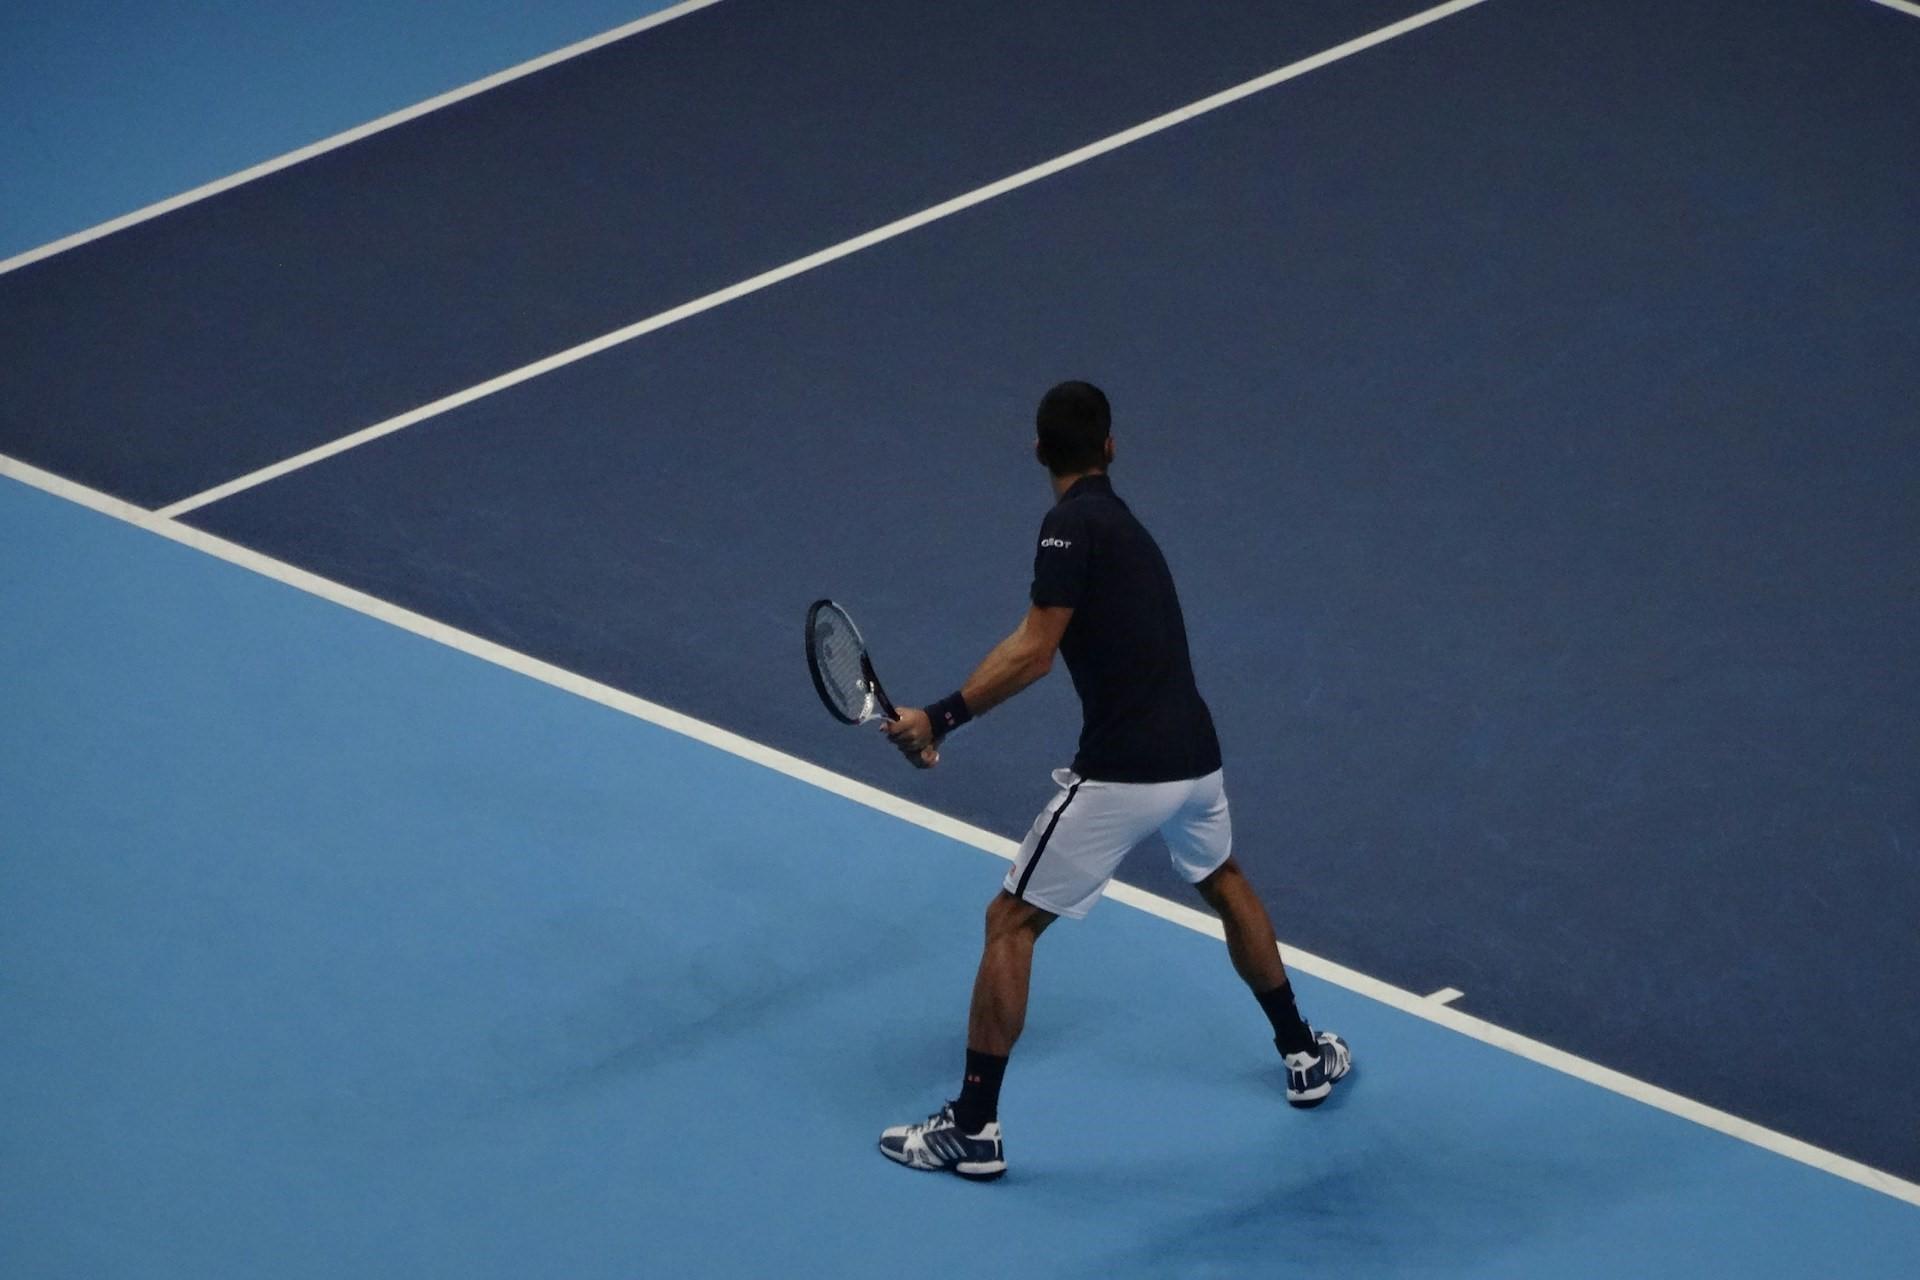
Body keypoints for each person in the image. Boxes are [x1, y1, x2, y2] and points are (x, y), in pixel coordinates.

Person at [876, 381, 1350, 1182]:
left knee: (1009, 923)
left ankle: (973, 1125)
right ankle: (1304, 1054)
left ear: (1037, 453)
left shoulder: (1068, 527)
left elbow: (1034, 648)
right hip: (1196, 759)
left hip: (1127, 769)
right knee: (1222, 876)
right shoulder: (1125, 524)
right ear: (1111, 447)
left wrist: (941, 717)